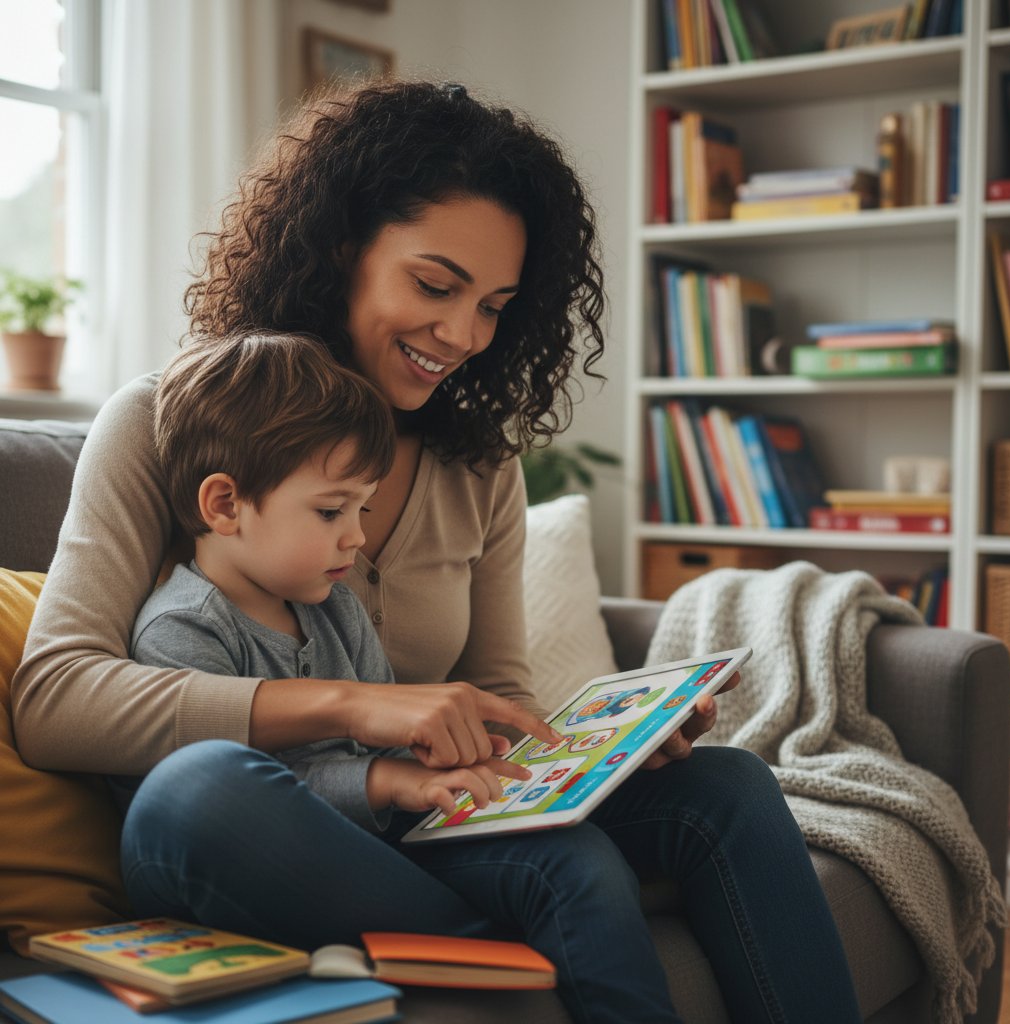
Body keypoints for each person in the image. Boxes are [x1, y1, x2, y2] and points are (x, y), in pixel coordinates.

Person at [12, 79, 861, 1023]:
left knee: (728, 786)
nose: (463, 335)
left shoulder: (480, 462)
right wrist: (355, 705)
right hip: (274, 834)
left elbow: (500, 693)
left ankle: (528, 918)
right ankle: (529, 928)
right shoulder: (173, 423)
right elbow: (55, 698)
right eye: (435, 284)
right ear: (340, 250)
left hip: (430, 823)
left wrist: (597, 753)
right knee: (194, 795)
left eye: (495, 305)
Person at [122, 331, 531, 826]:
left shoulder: (337, 610)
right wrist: (384, 782)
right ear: (226, 506)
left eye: (363, 508)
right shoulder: (182, 629)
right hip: (264, 857)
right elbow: (236, 796)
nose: (356, 536)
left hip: (375, 845)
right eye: (332, 511)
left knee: (572, 855)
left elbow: (397, 750)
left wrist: (454, 765)